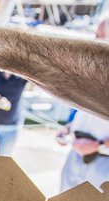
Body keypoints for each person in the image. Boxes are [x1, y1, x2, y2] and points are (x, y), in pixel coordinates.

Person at [56, 16, 109, 192]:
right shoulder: (93, 76)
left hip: (103, 163)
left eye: (102, 37)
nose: (96, 42)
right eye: (96, 35)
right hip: (75, 155)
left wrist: (98, 146)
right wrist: (69, 128)